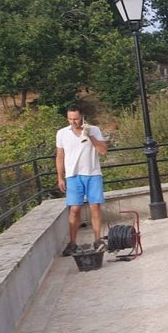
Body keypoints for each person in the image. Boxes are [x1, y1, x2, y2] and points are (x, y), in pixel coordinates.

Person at [56, 105, 109, 256]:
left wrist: (89, 136)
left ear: (82, 117)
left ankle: (98, 239)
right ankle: (72, 243)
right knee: (74, 209)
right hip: (73, 175)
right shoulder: (61, 133)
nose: (73, 122)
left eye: (76, 119)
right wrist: (60, 177)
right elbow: (60, 157)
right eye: (70, 119)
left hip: (92, 173)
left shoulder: (94, 129)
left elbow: (104, 151)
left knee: (95, 207)